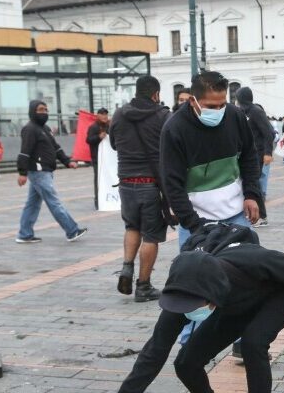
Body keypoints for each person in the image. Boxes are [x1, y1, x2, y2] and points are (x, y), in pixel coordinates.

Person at [117, 222, 284, 393]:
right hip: (234, 306)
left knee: (253, 343)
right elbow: (153, 353)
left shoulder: (249, 259)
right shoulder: (182, 291)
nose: (188, 311)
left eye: (193, 306)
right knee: (186, 363)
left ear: (209, 297)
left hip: (277, 297)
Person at [159, 70, 262, 249]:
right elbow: (172, 183)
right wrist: (194, 225)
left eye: (222, 104)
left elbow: (249, 156)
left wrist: (252, 194)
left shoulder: (235, 116)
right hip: (195, 221)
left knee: (246, 271)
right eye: (211, 106)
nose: (218, 111)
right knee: (196, 274)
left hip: (236, 215)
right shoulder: (174, 129)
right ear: (193, 101)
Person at [109, 76, 170, 302]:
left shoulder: (119, 114)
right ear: (155, 94)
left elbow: (114, 144)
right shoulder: (163, 116)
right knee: (151, 236)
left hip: (126, 182)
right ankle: (143, 286)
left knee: (132, 226)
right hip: (150, 184)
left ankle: (127, 267)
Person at [15, 100, 88, 244]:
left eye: (46, 110)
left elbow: (56, 148)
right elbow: (24, 152)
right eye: (41, 110)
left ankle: (24, 234)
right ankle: (72, 231)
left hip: (45, 171)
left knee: (32, 204)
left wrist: (67, 161)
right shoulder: (30, 129)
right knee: (54, 202)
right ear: (32, 111)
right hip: (38, 171)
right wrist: (22, 173)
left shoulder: (45, 129)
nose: (45, 113)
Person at [235, 87, 275, 228]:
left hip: (258, 154)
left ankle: (262, 216)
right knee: (250, 185)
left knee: (255, 186)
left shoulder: (256, 112)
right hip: (247, 154)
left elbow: (268, 133)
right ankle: (251, 214)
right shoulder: (243, 112)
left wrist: (268, 153)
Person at [85, 108, 110, 209]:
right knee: (98, 180)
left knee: (108, 180)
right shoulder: (94, 127)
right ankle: (98, 201)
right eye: (102, 114)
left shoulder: (108, 126)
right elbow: (88, 140)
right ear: (98, 115)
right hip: (97, 159)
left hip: (108, 159)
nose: (105, 116)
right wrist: (98, 137)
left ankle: (108, 198)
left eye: (106, 114)